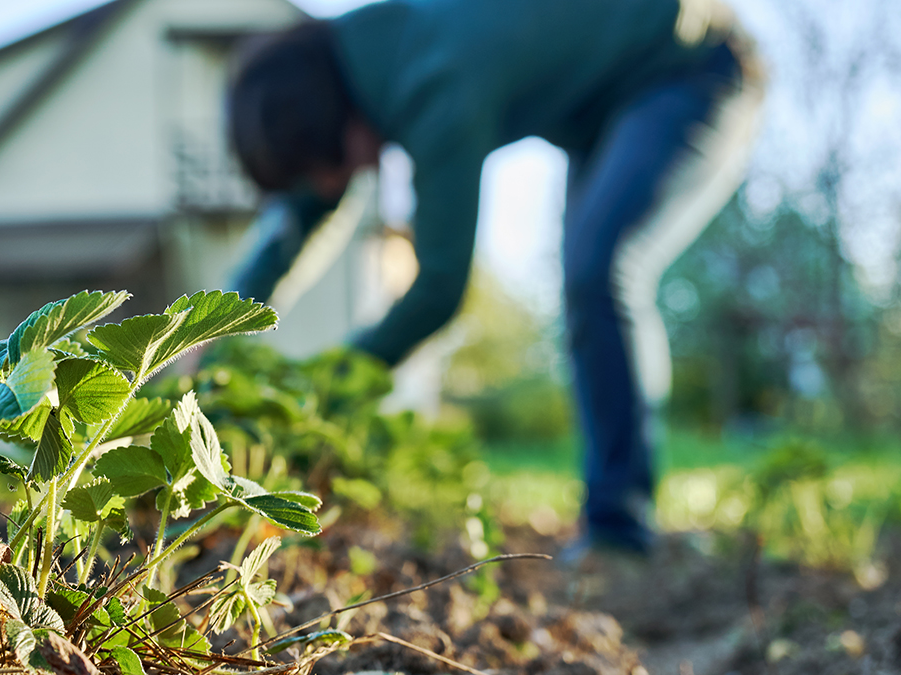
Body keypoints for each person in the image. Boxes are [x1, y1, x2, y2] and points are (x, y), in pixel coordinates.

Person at [226, 0, 764, 555]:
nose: (338, 184)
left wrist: (316, 396)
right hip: (606, 105)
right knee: (588, 277)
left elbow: (437, 291)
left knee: (599, 273)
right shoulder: (355, 64)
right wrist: (199, 341)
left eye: (324, 170)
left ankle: (619, 529)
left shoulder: (433, 83)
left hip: (690, 64)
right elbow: (295, 223)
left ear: (335, 124)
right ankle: (615, 518)